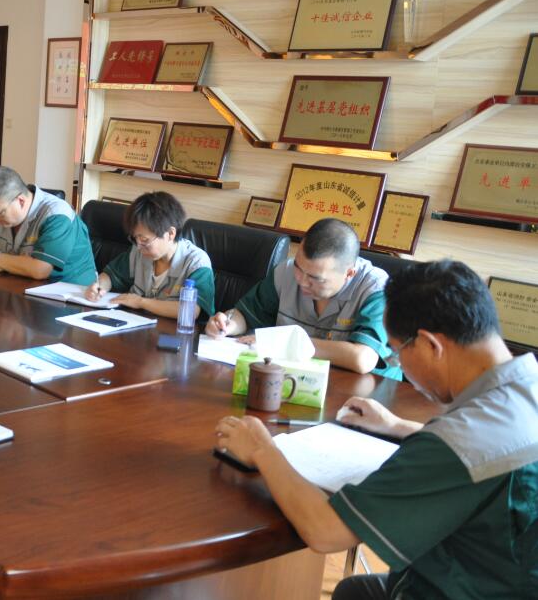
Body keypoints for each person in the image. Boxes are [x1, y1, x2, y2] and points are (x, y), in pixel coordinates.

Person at [214, 259, 538, 600]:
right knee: (355, 591)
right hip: (506, 574)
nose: (399, 365)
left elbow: (326, 531)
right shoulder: (525, 383)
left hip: (461, 589)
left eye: (396, 353)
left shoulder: (456, 444)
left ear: (430, 344)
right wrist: (397, 426)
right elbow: (483, 453)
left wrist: (263, 449)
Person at [205, 218, 396, 377]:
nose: (302, 281)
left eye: (315, 278)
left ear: (349, 274)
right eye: (298, 267)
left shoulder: (375, 289)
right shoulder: (285, 272)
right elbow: (245, 315)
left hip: (368, 392)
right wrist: (227, 324)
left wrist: (285, 343)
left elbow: (362, 358)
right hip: (298, 379)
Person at [0, 166, 96, 285]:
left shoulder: (57, 215)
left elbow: (40, 269)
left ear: (21, 201)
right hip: (24, 287)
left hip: (70, 296)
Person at [84, 191, 215, 318]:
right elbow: (111, 276)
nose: (139, 247)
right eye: (135, 238)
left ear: (170, 233)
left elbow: (191, 310)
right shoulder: (139, 251)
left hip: (174, 331)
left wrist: (141, 302)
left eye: (144, 240)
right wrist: (100, 286)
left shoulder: (196, 262)